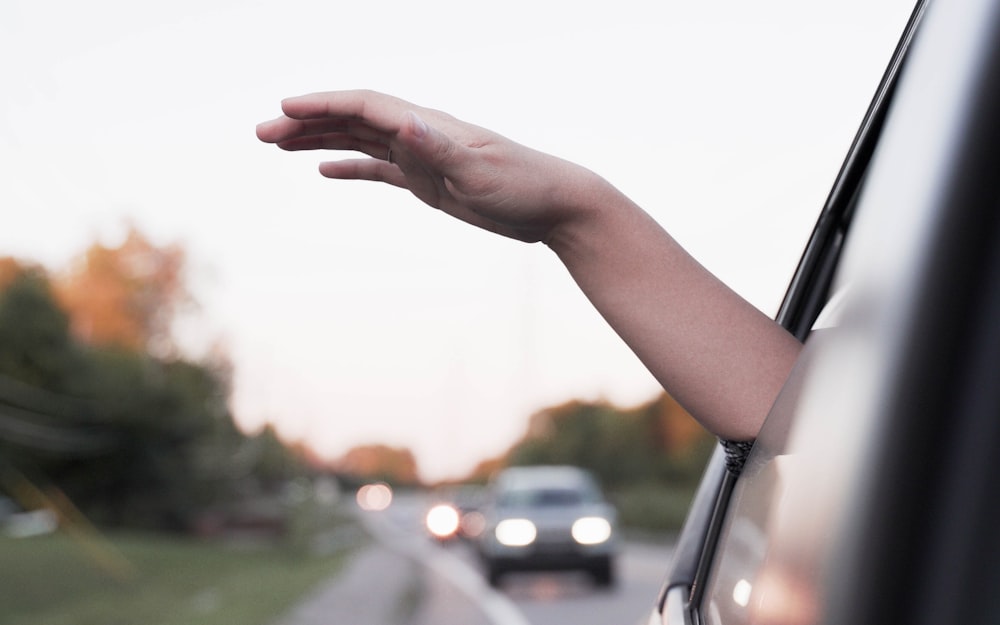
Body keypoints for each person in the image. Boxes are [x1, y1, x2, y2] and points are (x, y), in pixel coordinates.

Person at [256, 90, 802, 442]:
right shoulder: (833, 422)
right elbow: (801, 420)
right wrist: (572, 215)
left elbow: (802, 426)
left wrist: (574, 212)